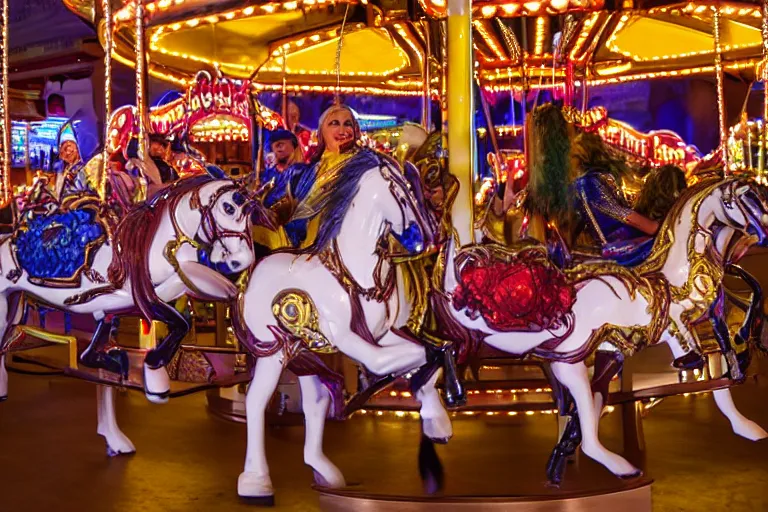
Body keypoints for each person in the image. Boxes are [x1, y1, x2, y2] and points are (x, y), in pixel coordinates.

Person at [259, 129, 311, 248]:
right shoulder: (268, 175)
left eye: (281, 144)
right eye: (275, 146)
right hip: (268, 233)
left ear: (293, 145)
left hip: (295, 233)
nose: (277, 148)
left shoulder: (303, 172)